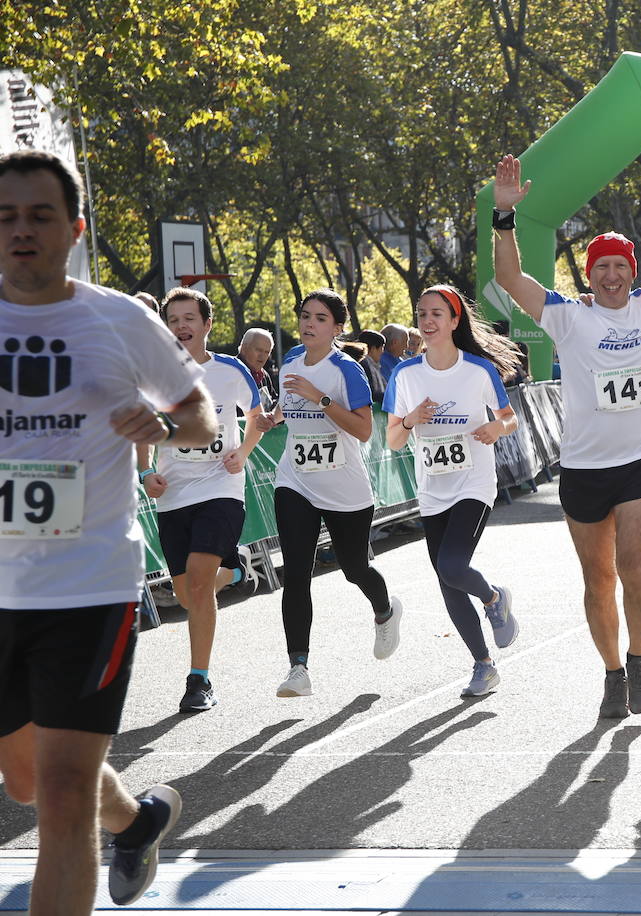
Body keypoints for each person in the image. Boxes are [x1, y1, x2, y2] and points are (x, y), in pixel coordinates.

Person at [0, 149, 216, 911]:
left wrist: (163, 423)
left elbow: (200, 417)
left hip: (89, 582)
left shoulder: (119, 319)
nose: (22, 231)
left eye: (39, 216)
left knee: (59, 798)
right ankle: (136, 819)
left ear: (75, 229)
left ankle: (114, 823)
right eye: (7, 217)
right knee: (26, 781)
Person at [493, 154, 641, 718]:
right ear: (589, 274)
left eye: (621, 265)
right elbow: (509, 279)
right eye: (602, 267)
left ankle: (639, 657)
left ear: (633, 271)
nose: (612, 275)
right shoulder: (568, 316)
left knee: (635, 571)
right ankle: (612, 673)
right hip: (585, 468)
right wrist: (504, 216)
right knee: (598, 579)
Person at [256, 289, 402, 697]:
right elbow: (288, 403)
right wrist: (274, 417)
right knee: (296, 573)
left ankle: (385, 610)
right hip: (296, 480)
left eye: (320, 318)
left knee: (354, 568)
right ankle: (297, 668)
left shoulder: (346, 370)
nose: (308, 324)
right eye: (305, 316)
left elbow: (363, 429)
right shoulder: (289, 363)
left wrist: (318, 398)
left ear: (337, 328)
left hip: (344, 488)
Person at [385, 285, 521, 697]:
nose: (427, 321)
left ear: (454, 320)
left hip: (473, 484)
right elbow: (392, 440)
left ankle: (493, 598)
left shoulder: (478, 370)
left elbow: (510, 418)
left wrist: (495, 428)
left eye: (437, 314)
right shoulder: (404, 375)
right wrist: (410, 420)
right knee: (447, 580)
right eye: (421, 314)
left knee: (452, 565)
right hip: (432, 490)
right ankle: (483, 664)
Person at [137, 286, 264, 713]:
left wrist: (242, 452)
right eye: (173, 320)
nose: (181, 326)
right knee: (189, 595)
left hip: (220, 488)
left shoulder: (230, 371)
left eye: (189, 318)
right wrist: (146, 471)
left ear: (207, 325)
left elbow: (259, 417)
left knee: (196, 581)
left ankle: (199, 680)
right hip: (173, 493)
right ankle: (236, 569)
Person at [239, 327, 278, 409]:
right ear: (244, 348)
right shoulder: (231, 371)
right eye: (259, 350)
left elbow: (273, 400)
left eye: (267, 352)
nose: (262, 356)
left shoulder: (264, 375)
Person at [354, 329, 388, 403]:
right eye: (381, 348)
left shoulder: (372, 365)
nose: (382, 352)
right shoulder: (364, 365)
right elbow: (371, 393)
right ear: (373, 349)